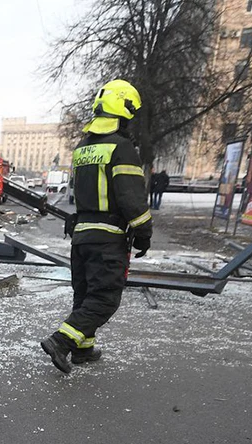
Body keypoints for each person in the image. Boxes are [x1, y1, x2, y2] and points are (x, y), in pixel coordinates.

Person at [40, 79, 152, 374]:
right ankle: (61, 342)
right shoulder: (122, 148)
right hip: (109, 237)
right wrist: (143, 233)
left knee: (86, 293)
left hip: (82, 236)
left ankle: (84, 348)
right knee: (104, 299)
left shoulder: (82, 148)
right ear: (124, 109)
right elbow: (131, 197)